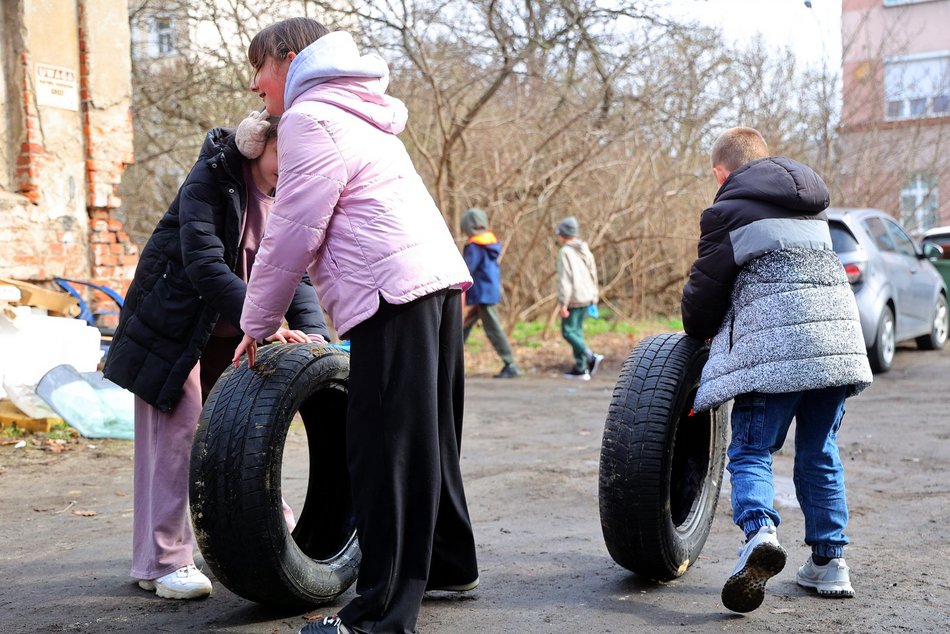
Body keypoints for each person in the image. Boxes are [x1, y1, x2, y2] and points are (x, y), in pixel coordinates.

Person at [232, 19, 479, 634]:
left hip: (391, 292)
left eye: (260, 68)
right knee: (427, 439)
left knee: (384, 451)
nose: (256, 83)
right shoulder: (360, 111)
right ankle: (448, 562)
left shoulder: (311, 118)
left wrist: (258, 321)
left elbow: (293, 229)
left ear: (288, 60)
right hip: (436, 283)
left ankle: (378, 616)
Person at [103, 114, 330, 600]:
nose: (289, 170)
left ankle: (270, 531)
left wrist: (312, 332)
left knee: (246, 434)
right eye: (281, 158)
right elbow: (205, 266)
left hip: (240, 331)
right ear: (256, 144)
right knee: (177, 436)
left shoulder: (289, 195)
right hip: (176, 329)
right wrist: (267, 321)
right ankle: (162, 561)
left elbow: (299, 274)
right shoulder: (210, 178)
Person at [680, 127, 873, 613]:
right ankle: (830, 563)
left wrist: (696, 331)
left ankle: (760, 534)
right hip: (836, 343)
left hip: (776, 343)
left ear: (721, 172)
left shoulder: (725, 210)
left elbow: (706, 290)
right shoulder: (812, 202)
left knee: (750, 449)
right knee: (820, 451)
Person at [460, 207, 520, 378]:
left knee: (492, 328)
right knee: (464, 327)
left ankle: (510, 364)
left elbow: (467, 269)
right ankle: (449, 360)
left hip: (482, 294)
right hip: (488, 292)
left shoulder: (474, 246)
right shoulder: (491, 243)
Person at [555, 216, 603, 380]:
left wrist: (563, 303)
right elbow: (593, 273)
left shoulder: (565, 252)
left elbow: (565, 279)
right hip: (587, 296)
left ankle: (591, 357)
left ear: (564, 234)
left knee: (568, 331)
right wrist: (594, 296)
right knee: (577, 332)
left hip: (574, 298)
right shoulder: (584, 248)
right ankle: (581, 368)